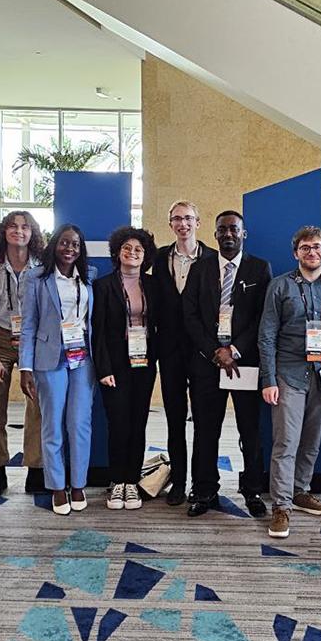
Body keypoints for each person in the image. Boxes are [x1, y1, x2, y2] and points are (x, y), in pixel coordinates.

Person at [259, 226, 321, 538]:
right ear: (296, 253)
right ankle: (282, 506)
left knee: (312, 440)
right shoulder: (280, 286)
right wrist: (269, 379)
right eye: (305, 248)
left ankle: (301, 491)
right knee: (286, 441)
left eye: (316, 247)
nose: (311, 252)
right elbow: (267, 335)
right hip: (288, 374)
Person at [183, 210, 272, 518]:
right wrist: (214, 351)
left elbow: (264, 317)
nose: (228, 234)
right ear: (215, 234)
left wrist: (234, 348)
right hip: (208, 363)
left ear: (243, 234)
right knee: (206, 430)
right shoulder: (201, 268)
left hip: (244, 362)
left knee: (250, 430)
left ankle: (253, 490)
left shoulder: (260, 269)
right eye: (222, 229)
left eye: (234, 229)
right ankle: (205, 490)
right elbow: (189, 316)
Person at [19, 224, 97, 516]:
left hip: (83, 359)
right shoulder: (36, 278)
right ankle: (56, 486)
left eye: (75, 245)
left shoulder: (89, 277)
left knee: (79, 423)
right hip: (49, 358)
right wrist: (25, 366)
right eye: (65, 243)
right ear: (55, 245)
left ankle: (78, 484)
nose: (70, 249)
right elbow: (28, 325)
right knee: (52, 424)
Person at [0, 210, 46, 498]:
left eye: (25, 227)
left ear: (33, 233)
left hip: (33, 339)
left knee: (37, 405)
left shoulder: (42, 267)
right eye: (13, 226)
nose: (19, 231)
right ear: (4, 232)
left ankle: (35, 470)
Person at [153, 201, 217, 506]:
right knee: (174, 419)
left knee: (204, 421)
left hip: (203, 351)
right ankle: (178, 481)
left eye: (188, 218)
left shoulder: (214, 260)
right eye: (177, 219)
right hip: (170, 351)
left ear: (198, 222)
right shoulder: (158, 257)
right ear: (170, 225)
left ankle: (201, 483)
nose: (183, 224)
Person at [93, 226, 160, 511]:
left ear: (145, 255)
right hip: (115, 365)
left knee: (138, 422)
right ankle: (117, 481)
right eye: (127, 248)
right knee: (118, 423)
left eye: (138, 250)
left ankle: (132, 481)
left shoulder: (154, 285)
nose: (132, 253)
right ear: (117, 252)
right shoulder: (104, 285)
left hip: (144, 363)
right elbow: (97, 331)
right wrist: (103, 368)